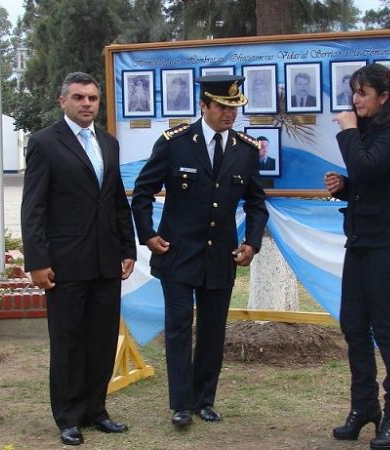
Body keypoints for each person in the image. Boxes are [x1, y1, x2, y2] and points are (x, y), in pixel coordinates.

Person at [131, 75, 269, 428]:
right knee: (178, 327)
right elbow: (143, 192)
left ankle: (204, 400)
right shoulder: (175, 144)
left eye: (235, 108)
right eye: (222, 107)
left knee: (212, 332)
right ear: (204, 106)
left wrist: (251, 243)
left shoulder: (246, 149)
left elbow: (257, 204)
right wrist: (147, 236)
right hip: (176, 253)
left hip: (220, 256)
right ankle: (180, 404)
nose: (229, 115)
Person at [21, 71, 137, 446]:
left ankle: (96, 411)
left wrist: (128, 248)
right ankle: (68, 417)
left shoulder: (108, 143)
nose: (87, 104)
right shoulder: (44, 143)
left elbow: (117, 199)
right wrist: (36, 261)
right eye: (79, 98)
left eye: (92, 98)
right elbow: (33, 208)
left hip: (106, 261)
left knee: (101, 340)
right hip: (65, 263)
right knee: (69, 341)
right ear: (63, 102)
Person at [323, 63, 390, 450]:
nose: (356, 100)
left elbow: (368, 166)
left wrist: (346, 131)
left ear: (385, 96)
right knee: (354, 326)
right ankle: (364, 406)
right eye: (354, 93)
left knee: (387, 328)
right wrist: (344, 187)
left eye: (363, 93)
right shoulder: (372, 132)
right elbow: (366, 181)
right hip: (362, 242)